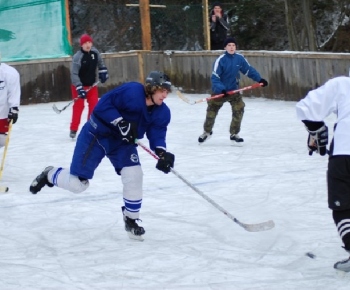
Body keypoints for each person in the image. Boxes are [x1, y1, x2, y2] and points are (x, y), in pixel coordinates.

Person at [29, 71, 175, 241]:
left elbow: (157, 132)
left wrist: (161, 152)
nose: (165, 95)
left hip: (122, 143)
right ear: (151, 88)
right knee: (77, 185)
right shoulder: (132, 92)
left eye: (167, 91)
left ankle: (131, 220)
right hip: (96, 135)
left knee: (134, 175)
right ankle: (50, 174)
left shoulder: (162, 112)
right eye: (162, 90)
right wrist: (120, 122)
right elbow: (103, 106)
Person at [296, 76, 350, 272]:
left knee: (343, 207)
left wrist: (316, 129)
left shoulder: (342, 84)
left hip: (344, 153)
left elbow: (306, 108)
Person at [198, 37, 268, 144]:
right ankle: (207, 132)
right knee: (211, 112)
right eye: (229, 45)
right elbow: (215, 77)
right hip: (220, 92)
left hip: (233, 91)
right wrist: (221, 90)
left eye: (233, 45)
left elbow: (248, 70)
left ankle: (234, 133)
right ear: (225, 47)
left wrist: (259, 79)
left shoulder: (239, 58)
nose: (231, 47)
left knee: (239, 108)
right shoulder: (220, 60)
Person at [69, 33, 109, 139]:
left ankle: (90, 127)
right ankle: (73, 129)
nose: (88, 45)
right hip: (79, 86)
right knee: (79, 107)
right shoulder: (77, 57)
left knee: (94, 106)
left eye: (89, 42)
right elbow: (74, 74)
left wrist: (103, 72)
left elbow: (101, 63)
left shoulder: (95, 53)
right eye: (85, 43)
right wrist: (79, 88)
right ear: (81, 45)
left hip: (91, 85)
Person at [0, 60, 20, 147]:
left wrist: (14, 109)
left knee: (2, 141)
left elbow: (13, 92)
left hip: (1, 114)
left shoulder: (9, 73)